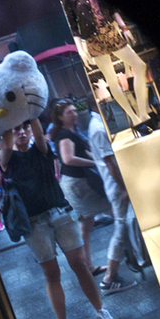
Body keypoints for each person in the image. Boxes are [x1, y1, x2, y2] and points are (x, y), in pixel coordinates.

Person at [0, 117, 119, 319]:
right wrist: (7, 117)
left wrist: (27, 112)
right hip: (33, 223)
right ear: (10, 135)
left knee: (79, 263)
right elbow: (4, 145)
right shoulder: (8, 159)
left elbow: (37, 128)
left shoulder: (41, 150)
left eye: (24, 128)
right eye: (16, 130)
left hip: (59, 212)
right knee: (51, 274)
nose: (22, 132)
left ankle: (102, 311)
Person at [52, 100, 136, 293]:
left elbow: (84, 153)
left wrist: (95, 159)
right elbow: (68, 159)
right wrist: (96, 163)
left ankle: (88, 265)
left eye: (74, 111)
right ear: (60, 117)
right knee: (115, 213)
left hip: (76, 183)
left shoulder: (70, 132)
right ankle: (116, 264)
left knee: (87, 224)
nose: (73, 114)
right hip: (78, 184)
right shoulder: (65, 134)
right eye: (69, 112)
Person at [85, 100, 138, 293]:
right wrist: (123, 187)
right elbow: (109, 164)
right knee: (121, 227)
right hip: (115, 187)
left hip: (113, 185)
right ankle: (109, 278)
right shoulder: (98, 128)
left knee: (123, 226)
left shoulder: (95, 124)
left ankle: (121, 267)